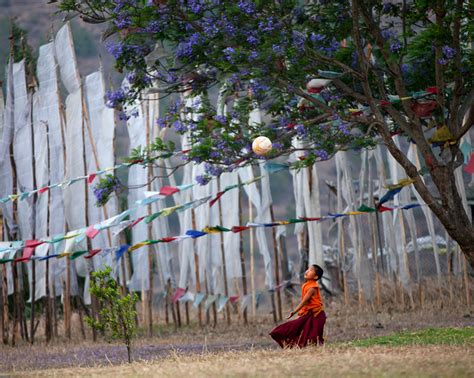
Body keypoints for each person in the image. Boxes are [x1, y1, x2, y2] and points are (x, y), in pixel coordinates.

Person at [269, 264, 326, 348]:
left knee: (314, 337)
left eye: (310, 270)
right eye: (308, 269)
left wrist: (294, 312)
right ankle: (292, 344)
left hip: (317, 315)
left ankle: (315, 349)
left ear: (315, 277)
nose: (307, 271)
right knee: (293, 327)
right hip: (308, 314)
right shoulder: (306, 285)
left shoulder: (312, 288)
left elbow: (304, 302)